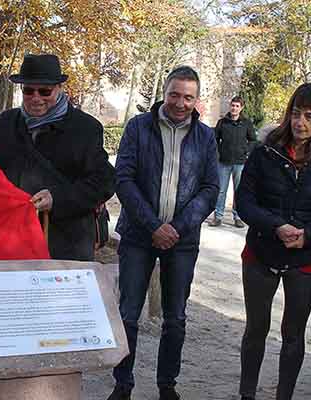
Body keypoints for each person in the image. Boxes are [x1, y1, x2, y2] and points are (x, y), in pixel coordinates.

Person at [236, 83, 311, 400]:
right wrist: (275, 226)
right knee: (255, 329)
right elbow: (244, 201)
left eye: (310, 116)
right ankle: (247, 393)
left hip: (306, 257)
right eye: (296, 113)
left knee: (293, 334)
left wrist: (310, 235)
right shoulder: (264, 152)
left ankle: (283, 395)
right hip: (261, 251)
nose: (300, 122)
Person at [107, 66, 219, 400]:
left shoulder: (206, 136)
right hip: (139, 236)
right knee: (128, 313)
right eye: (175, 94)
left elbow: (210, 189)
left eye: (188, 97)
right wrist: (154, 226)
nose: (181, 103)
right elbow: (123, 179)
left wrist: (177, 228)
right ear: (165, 93)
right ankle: (122, 384)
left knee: (176, 318)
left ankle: (166, 384)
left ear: (196, 99)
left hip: (182, 242)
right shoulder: (138, 128)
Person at [0, 54, 115, 261]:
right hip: (14, 241)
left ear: (60, 89)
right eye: (28, 90)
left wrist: (57, 198)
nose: (36, 98)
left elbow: (104, 182)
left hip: (67, 244)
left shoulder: (85, 128)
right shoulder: (6, 122)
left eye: (45, 91)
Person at [209, 95, 256, 228]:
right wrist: (217, 153)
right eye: (232, 105)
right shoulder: (222, 122)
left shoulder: (246, 123)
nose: (234, 108)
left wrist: (246, 151)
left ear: (241, 108)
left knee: (239, 191)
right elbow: (214, 139)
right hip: (223, 162)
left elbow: (253, 140)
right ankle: (218, 217)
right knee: (221, 191)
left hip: (240, 163)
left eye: (237, 106)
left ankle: (238, 217)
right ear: (230, 106)